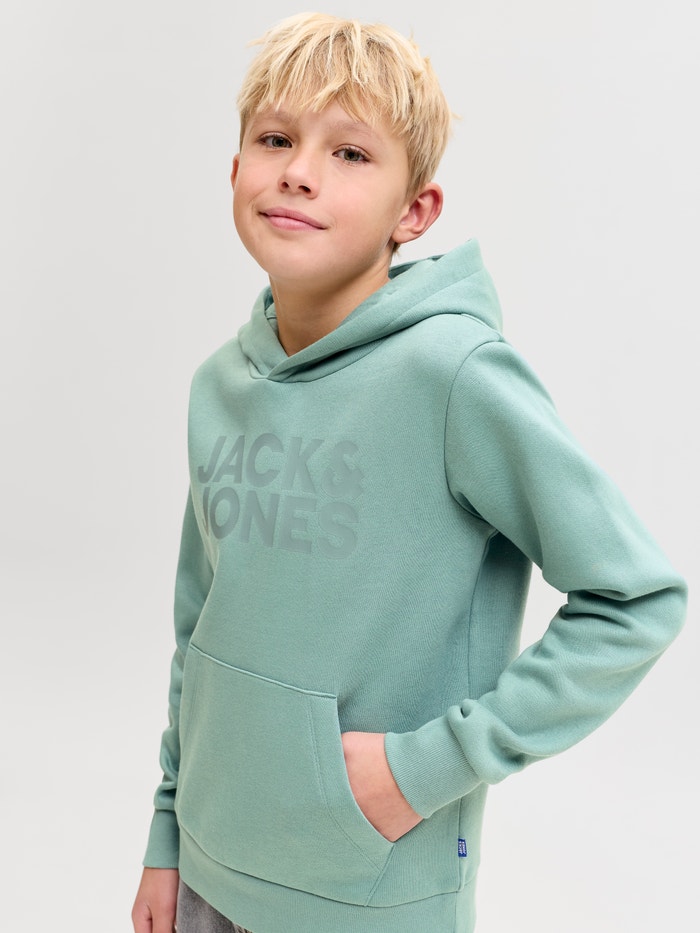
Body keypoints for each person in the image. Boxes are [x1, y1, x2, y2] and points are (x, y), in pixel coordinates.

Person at [131, 12, 687, 933]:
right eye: (275, 139)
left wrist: (423, 769)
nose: (299, 171)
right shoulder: (218, 385)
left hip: (370, 896)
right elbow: (199, 632)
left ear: (415, 212)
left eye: (350, 153)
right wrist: (166, 834)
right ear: (234, 171)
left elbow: (636, 598)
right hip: (207, 870)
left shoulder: (455, 375)